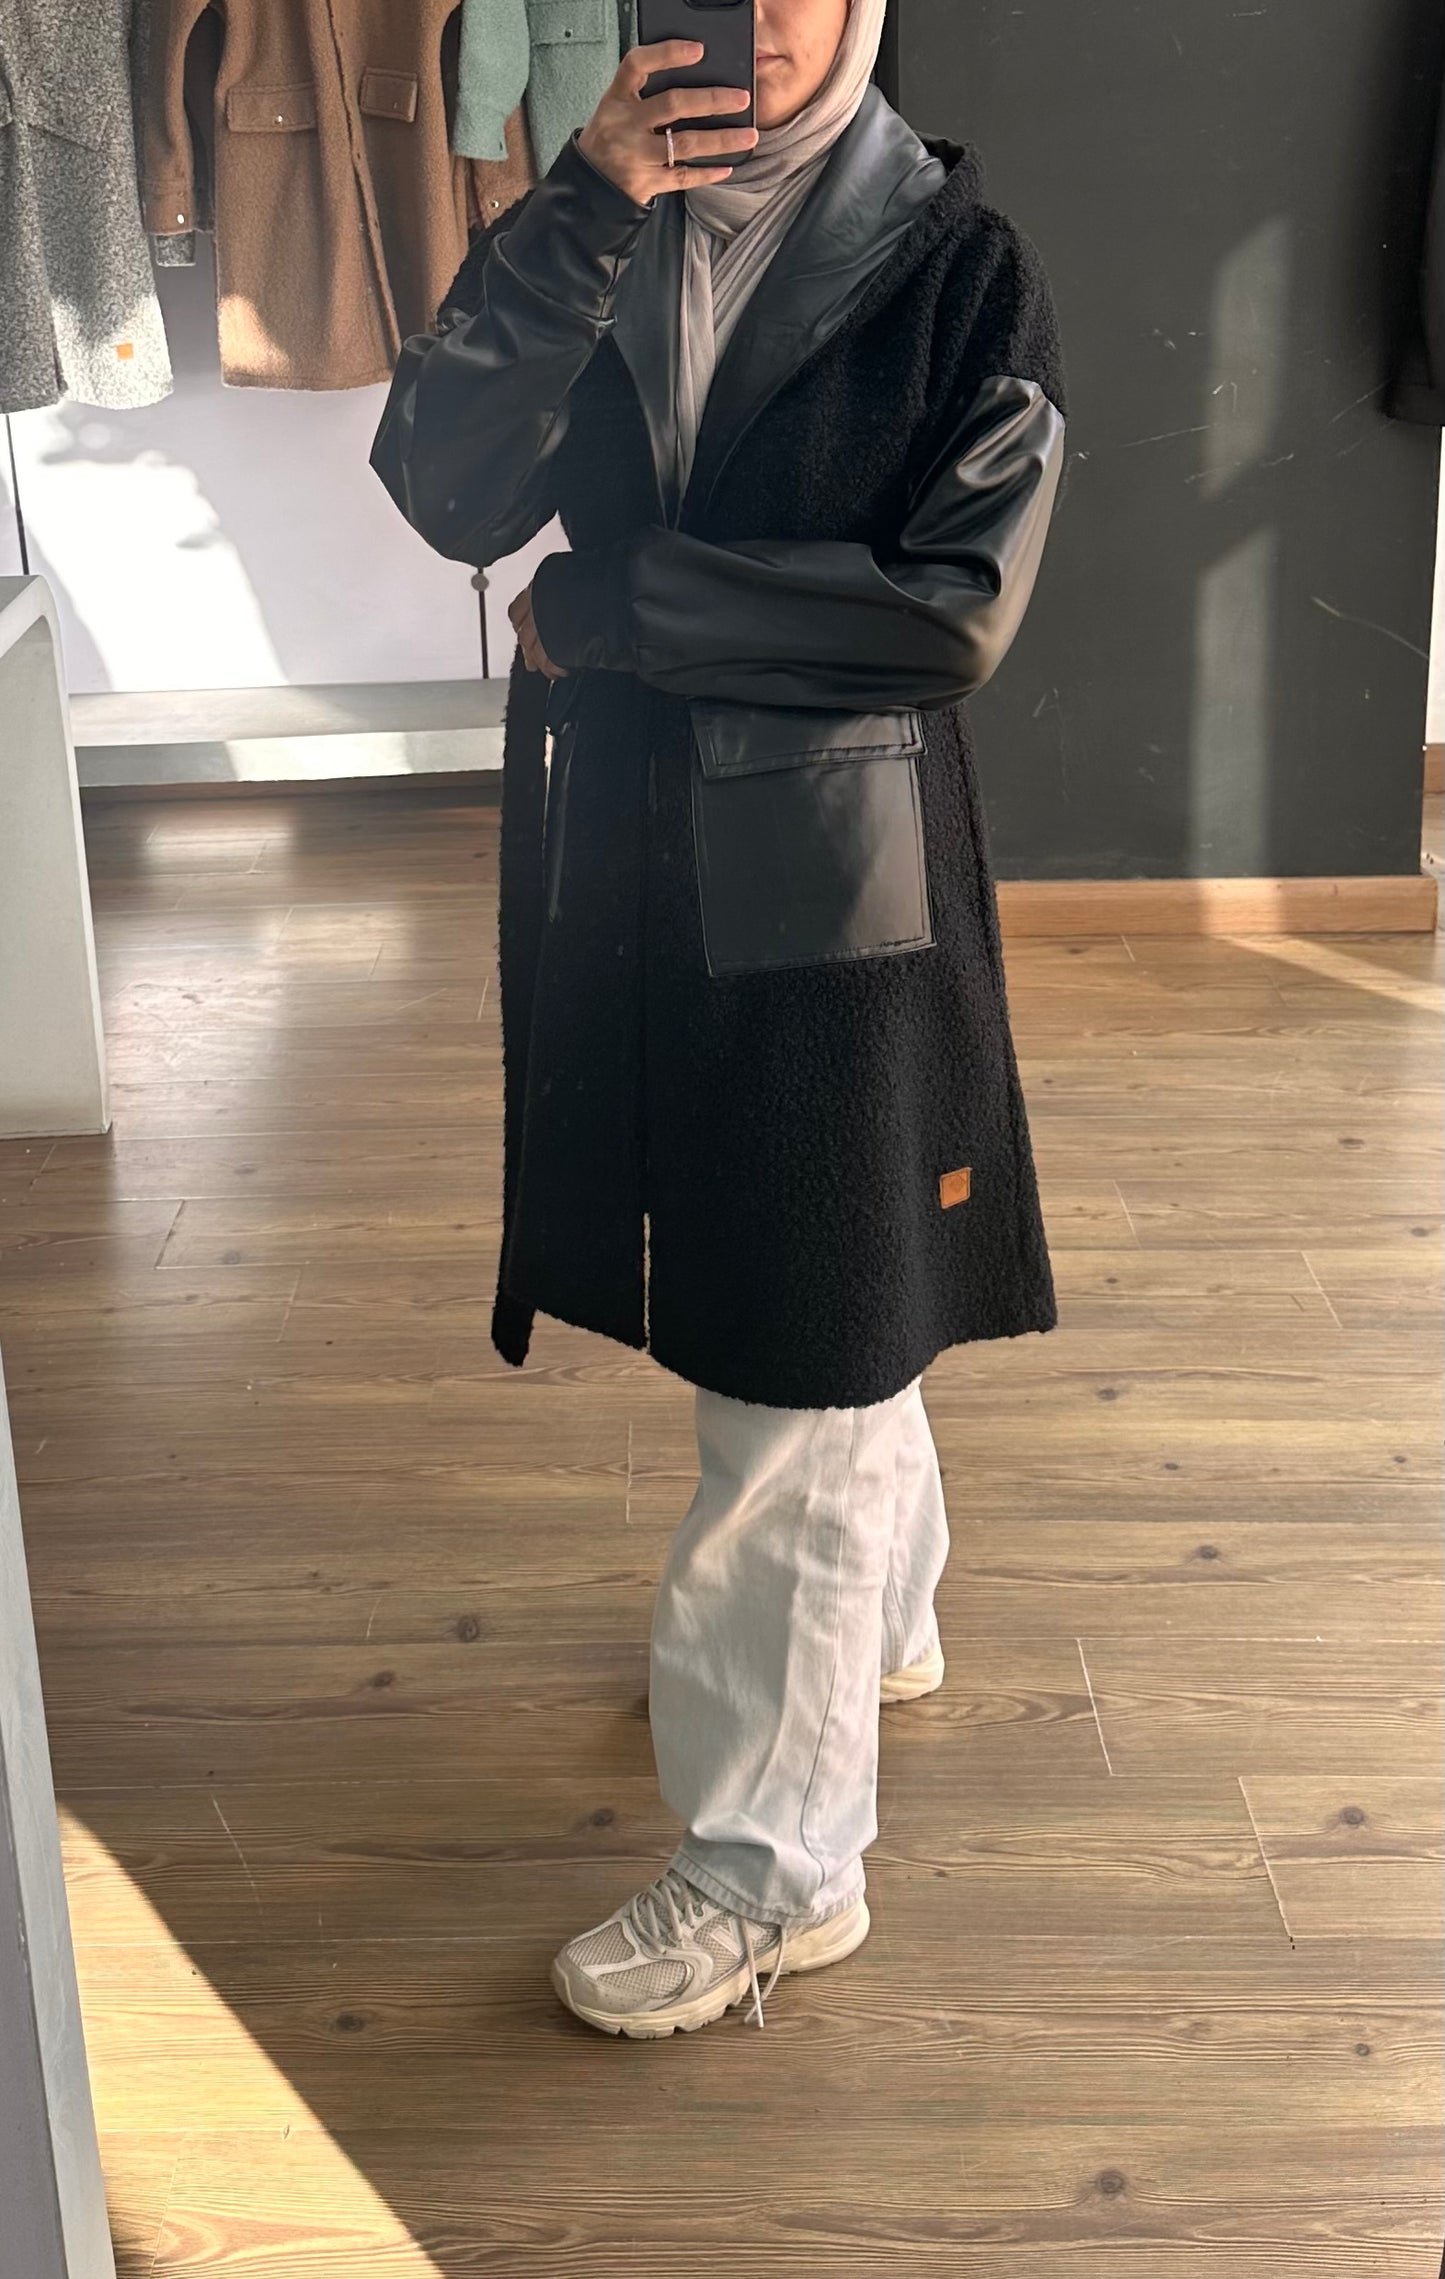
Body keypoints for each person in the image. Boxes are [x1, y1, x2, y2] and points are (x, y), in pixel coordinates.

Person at [370, 0, 1067, 2039]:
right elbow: (445, 485)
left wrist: (626, 608)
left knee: (796, 1329)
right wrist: (578, 206)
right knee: (826, 1298)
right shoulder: (600, 221)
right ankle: (877, 1631)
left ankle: (777, 1869)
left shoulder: (956, 265)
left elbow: (949, 608)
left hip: (836, 874)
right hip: (635, 856)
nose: (757, 13)